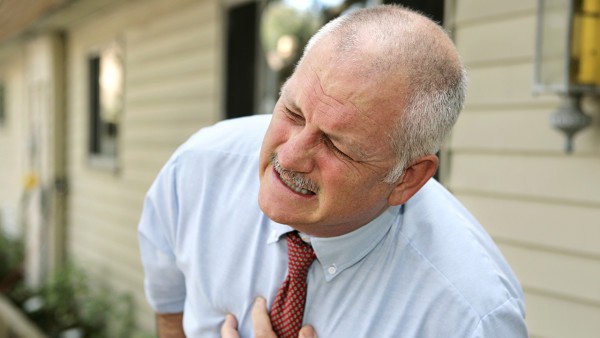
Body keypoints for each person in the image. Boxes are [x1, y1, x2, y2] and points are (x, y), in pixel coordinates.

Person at [138, 4, 528, 338]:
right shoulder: (198, 173)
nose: (289, 157)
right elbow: (172, 314)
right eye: (292, 112)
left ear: (407, 177)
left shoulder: (470, 317)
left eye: (335, 144)